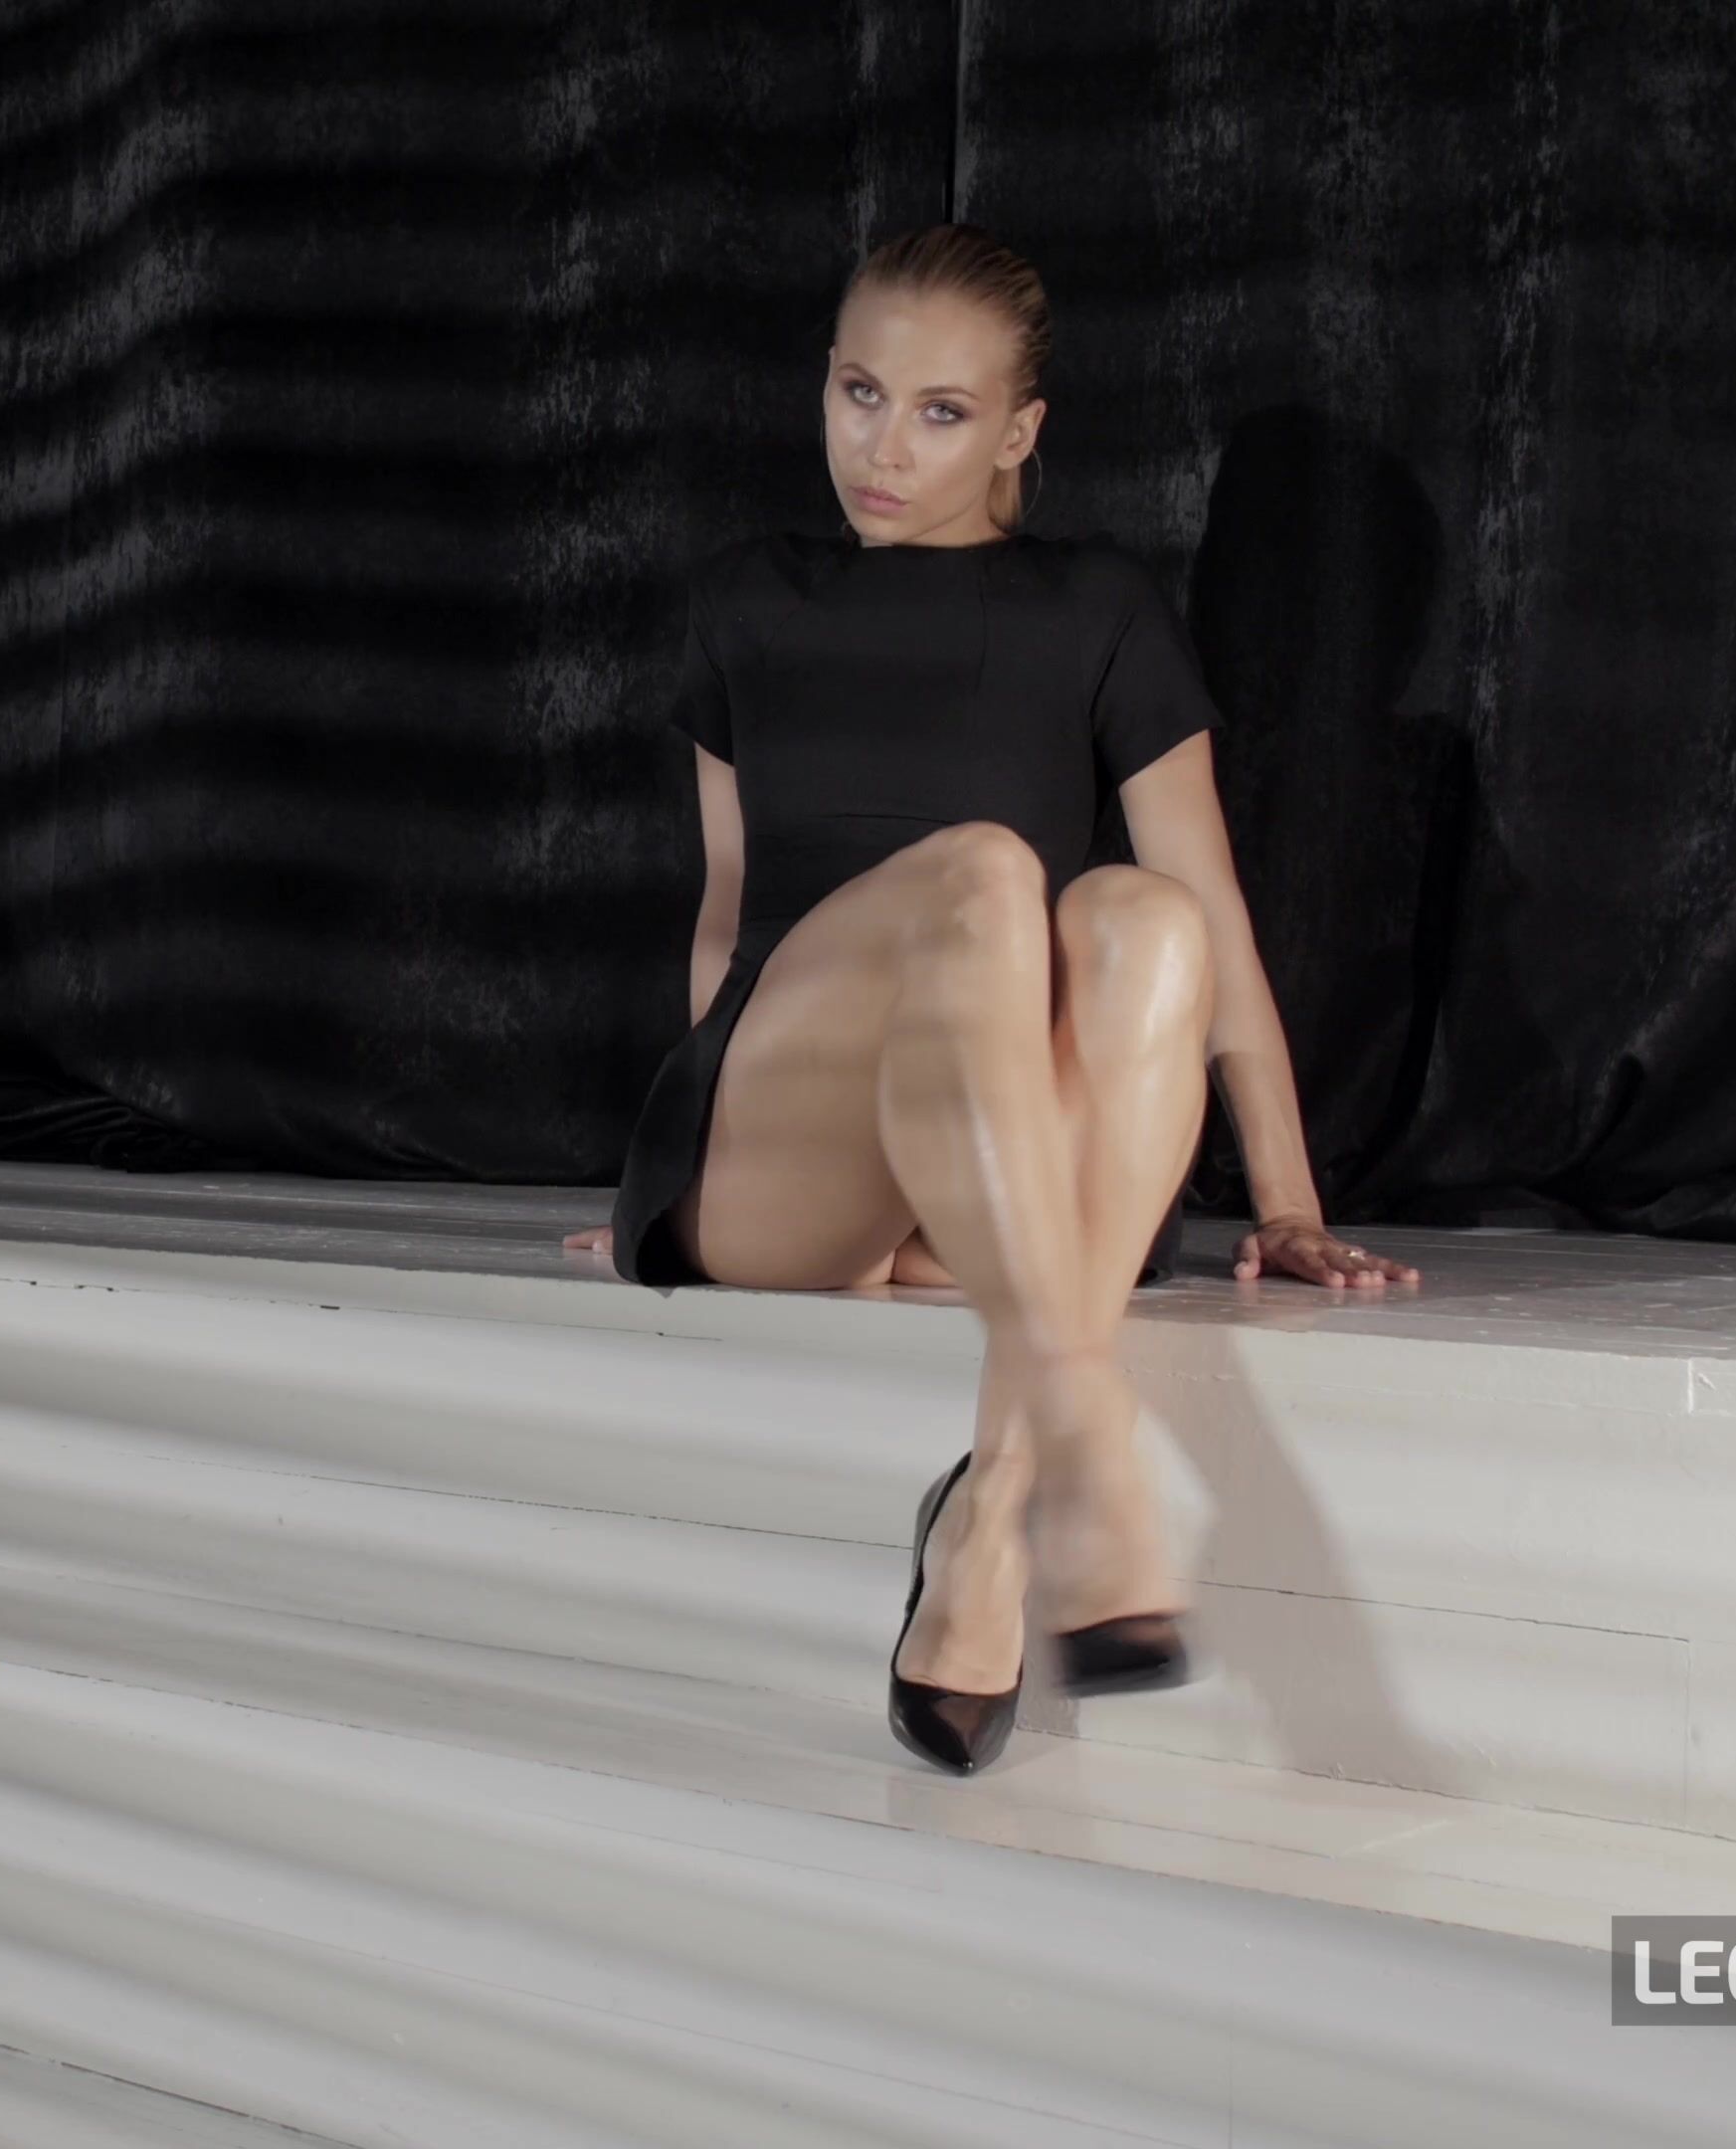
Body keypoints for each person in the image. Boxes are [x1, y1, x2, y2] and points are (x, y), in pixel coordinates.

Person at [559, 224, 1419, 1774]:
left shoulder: (1099, 609)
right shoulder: (750, 599)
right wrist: (677, 1164)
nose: (883, 449)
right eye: (860, 393)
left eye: (940, 413)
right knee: (985, 874)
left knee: (1145, 915)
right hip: (800, 1145)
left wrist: (1288, 1200)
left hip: (994, 1165)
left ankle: (995, 1508)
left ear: (1020, 433)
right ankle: (1084, 1436)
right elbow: (729, 915)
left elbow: (1216, 925)